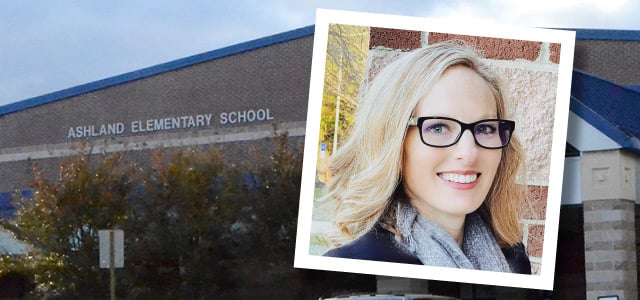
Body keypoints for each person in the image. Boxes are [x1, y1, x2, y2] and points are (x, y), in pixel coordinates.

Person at [322, 41, 531, 274]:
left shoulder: (514, 257)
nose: (469, 153)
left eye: (484, 129)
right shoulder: (351, 268)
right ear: (394, 140)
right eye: (439, 128)